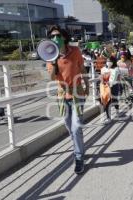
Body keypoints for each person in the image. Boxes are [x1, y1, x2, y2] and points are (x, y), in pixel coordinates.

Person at [46, 25, 89, 174]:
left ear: (64, 37)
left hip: (77, 93)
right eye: (52, 36)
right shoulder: (50, 54)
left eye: (57, 35)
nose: (55, 38)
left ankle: (78, 157)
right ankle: (80, 147)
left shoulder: (75, 51)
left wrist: (88, 85)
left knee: (76, 127)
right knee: (69, 126)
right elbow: (52, 78)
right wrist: (53, 61)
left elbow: (82, 69)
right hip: (62, 95)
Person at [101, 56, 121, 122]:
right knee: (107, 101)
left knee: (115, 99)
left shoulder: (116, 69)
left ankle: (117, 111)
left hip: (114, 86)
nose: (108, 62)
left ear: (113, 62)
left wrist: (110, 83)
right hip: (106, 87)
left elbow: (114, 78)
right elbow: (101, 77)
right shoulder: (103, 69)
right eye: (107, 61)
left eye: (110, 61)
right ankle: (108, 117)